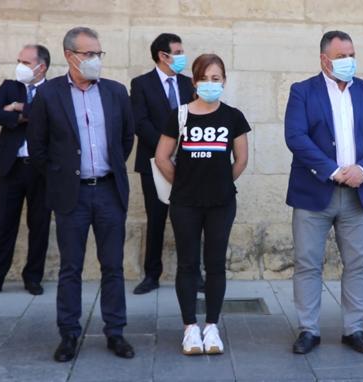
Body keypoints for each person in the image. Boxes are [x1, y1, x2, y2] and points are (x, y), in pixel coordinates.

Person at [27, 26, 135, 362]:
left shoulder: (116, 92)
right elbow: (38, 146)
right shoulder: (49, 95)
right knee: (70, 268)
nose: (95, 60)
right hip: (70, 196)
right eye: (88, 54)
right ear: (69, 56)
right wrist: (61, 178)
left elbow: (126, 139)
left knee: (113, 267)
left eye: (98, 54)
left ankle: (115, 332)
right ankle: (69, 335)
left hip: (108, 192)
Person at [284, 30, 363, 355]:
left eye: (351, 55)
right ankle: (308, 330)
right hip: (314, 191)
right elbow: (296, 137)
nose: (348, 61)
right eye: (341, 56)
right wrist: (332, 169)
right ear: (324, 59)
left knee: (358, 263)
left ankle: (354, 329)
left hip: (358, 192)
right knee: (307, 263)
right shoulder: (302, 91)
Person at [155, 53, 249, 355]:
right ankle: (190, 329)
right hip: (185, 203)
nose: (211, 83)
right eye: (205, 78)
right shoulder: (179, 114)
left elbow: (241, 159)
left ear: (224, 81)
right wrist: (183, 182)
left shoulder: (233, 116)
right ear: (194, 81)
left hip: (221, 203)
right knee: (187, 264)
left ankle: (211, 327)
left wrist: (220, 181)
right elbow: (162, 157)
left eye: (216, 78)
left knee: (215, 264)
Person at [130, 33, 201, 295]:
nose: (183, 56)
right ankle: (152, 274)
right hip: (153, 162)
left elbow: (197, 115)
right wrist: (166, 148)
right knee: (156, 219)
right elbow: (140, 122)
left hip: (189, 162)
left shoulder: (188, 83)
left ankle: (195, 274)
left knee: (193, 219)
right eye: (178, 51)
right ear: (163, 55)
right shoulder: (141, 84)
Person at [0, 44, 51, 297]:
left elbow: (53, 117)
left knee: (40, 225)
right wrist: (15, 116)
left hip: (40, 169)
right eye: (19, 60)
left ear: (40, 66)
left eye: (25, 62)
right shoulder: (9, 87)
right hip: (11, 167)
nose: (20, 66)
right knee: (4, 224)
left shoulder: (53, 91)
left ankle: (33, 277)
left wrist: (19, 108)